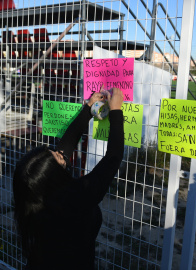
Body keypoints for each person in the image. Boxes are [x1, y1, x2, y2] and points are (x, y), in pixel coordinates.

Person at [13, 88, 124, 270]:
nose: (59, 153)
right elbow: (113, 157)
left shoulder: (32, 202)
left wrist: (88, 109)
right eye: (56, 157)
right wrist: (116, 112)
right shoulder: (78, 197)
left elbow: (64, 148)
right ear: (54, 177)